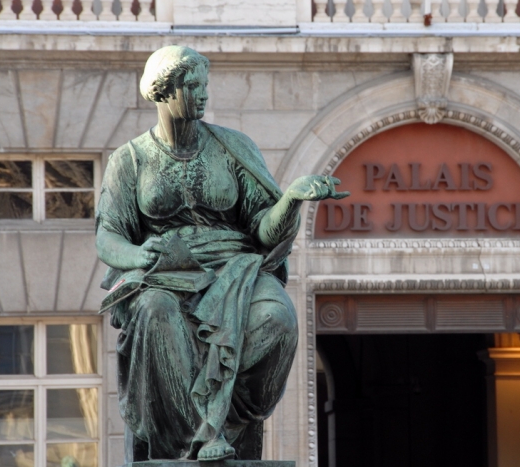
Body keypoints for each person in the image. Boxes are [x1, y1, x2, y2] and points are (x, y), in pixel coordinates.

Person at [95, 45, 348, 462]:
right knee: (157, 311)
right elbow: (108, 238)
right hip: (166, 274)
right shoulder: (131, 160)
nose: (203, 94)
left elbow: (264, 228)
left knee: (278, 320)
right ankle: (198, 437)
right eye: (192, 86)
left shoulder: (232, 148)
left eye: (204, 84)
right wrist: (140, 256)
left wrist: (291, 200)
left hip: (237, 269)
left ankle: (231, 419)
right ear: (164, 91)